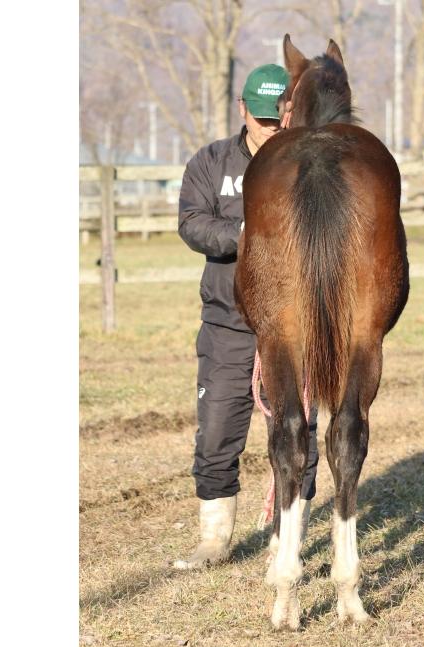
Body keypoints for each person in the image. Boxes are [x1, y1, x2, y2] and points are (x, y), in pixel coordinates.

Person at [174, 64, 319, 570]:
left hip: (294, 324)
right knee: (216, 430)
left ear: (291, 112)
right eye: (260, 118)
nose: (269, 128)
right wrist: (246, 236)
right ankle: (214, 539)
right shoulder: (212, 162)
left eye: (277, 118)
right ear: (242, 110)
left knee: (297, 428)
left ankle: (287, 532)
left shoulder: (310, 164)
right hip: (227, 321)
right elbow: (192, 222)